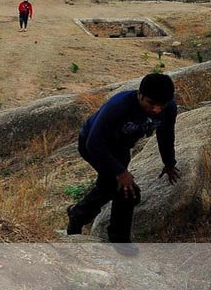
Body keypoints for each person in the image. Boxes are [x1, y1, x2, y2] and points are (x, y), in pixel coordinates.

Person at [66, 73, 181, 255]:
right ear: (140, 95)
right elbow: (94, 143)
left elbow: (166, 135)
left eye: (162, 105)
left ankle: (78, 213)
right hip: (93, 144)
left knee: (111, 188)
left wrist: (169, 162)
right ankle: (119, 239)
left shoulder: (169, 108)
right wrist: (120, 172)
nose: (157, 110)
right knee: (126, 191)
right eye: (151, 103)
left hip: (120, 148)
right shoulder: (119, 106)